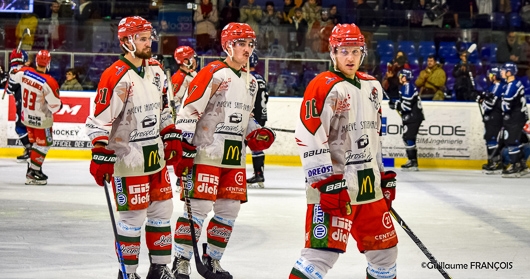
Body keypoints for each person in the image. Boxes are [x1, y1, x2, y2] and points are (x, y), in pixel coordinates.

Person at [289, 23, 398, 279]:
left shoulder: (372, 85)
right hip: (334, 187)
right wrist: (325, 182)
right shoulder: (323, 85)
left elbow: (375, 136)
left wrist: (382, 175)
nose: (350, 57)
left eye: (356, 51)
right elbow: (308, 134)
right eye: (344, 51)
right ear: (333, 53)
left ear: (363, 53)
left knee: (385, 253)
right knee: (321, 254)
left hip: (369, 186)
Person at [171, 22, 275, 279]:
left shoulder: (251, 81)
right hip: (207, 150)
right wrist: (184, 146)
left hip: (234, 156)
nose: (247, 49)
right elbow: (189, 110)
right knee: (198, 208)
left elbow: (244, 117)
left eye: (251, 44)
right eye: (241, 43)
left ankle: (213, 260)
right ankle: (181, 260)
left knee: (229, 210)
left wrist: (254, 131)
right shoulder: (213, 72)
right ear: (228, 45)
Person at [85, 16, 182, 279]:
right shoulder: (116, 76)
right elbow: (98, 121)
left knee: (162, 212)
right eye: (142, 38)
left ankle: (159, 269)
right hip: (128, 158)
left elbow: (164, 109)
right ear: (126, 41)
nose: (148, 42)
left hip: (155, 157)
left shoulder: (157, 71)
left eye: (149, 37)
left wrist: (170, 133)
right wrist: (99, 152)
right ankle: (127, 273)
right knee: (132, 218)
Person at [7, 50, 62, 185]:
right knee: (44, 145)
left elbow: (13, 74)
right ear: (48, 64)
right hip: (41, 120)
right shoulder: (49, 82)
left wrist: (15, 64)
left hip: (27, 118)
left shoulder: (24, 72)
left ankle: (33, 168)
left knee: (35, 145)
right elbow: (55, 106)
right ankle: (33, 172)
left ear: (36, 61)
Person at [390, 68, 425, 171]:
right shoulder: (407, 87)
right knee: (408, 138)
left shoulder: (407, 87)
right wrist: (396, 103)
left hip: (413, 117)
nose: (399, 78)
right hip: (412, 117)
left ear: (404, 77)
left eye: (400, 76)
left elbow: (406, 106)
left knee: (408, 137)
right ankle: (412, 161)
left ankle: (413, 163)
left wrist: (395, 104)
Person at [500, 63, 529, 177]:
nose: (501, 72)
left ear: (509, 72)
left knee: (512, 141)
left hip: (515, 118)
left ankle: (515, 165)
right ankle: (522, 165)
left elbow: (505, 105)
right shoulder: (515, 83)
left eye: (504, 70)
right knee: (518, 141)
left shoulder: (512, 86)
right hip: (519, 117)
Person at [4, 49, 33, 162]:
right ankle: (32, 151)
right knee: (29, 127)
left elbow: (10, 89)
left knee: (20, 127)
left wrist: (6, 78)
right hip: (31, 103)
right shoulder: (28, 70)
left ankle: (30, 150)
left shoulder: (16, 70)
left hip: (22, 104)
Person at [476, 67, 505, 174]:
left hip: (495, 116)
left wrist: (482, 101)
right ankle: (494, 161)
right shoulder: (494, 86)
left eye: (491, 74)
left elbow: (489, 104)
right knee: (489, 137)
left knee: (491, 138)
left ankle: (494, 162)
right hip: (493, 116)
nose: (489, 76)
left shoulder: (498, 86)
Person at [246, 52, 269, 188]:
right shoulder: (260, 78)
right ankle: (259, 174)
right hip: (262, 115)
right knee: (256, 145)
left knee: (241, 144)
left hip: (251, 116)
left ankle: (236, 175)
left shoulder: (249, 78)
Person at [171, 46, 198, 114]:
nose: (194, 60)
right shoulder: (179, 78)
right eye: (191, 57)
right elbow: (174, 101)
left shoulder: (191, 73)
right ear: (185, 61)